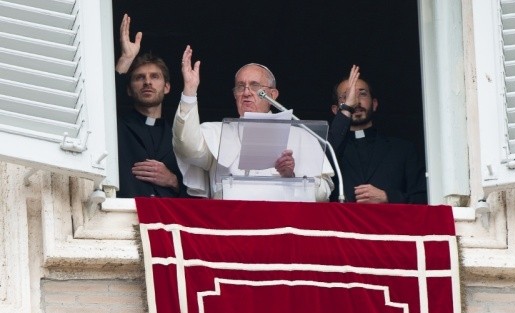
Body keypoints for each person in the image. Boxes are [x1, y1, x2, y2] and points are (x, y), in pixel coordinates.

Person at [172, 46, 333, 200]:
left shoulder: (302, 135)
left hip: (282, 217)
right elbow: (187, 148)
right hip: (230, 216)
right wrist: (190, 91)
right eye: (240, 87)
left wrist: (291, 177)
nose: (246, 92)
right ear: (235, 95)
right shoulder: (217, 132)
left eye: (255, 86)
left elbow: (323, 192)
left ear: (273, 94)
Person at [329, 65, 427, 204]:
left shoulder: (403, 150)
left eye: (362, 94)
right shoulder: (329, 150)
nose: (356, 101)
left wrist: (388, 197)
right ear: (335, 110)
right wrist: (347, 108)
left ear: (374, 104)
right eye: (346, 96)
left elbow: (423, 198)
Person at [114, 14, 186, 198]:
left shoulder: (179, 136)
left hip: (167, 215)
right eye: (140, 77)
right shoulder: (116, 126)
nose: (147, 82)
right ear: (129, 90)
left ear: (167, 87)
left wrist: (173, 180)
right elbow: (102, 101)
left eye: (155, 76)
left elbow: (199, 189)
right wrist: (126, 58)